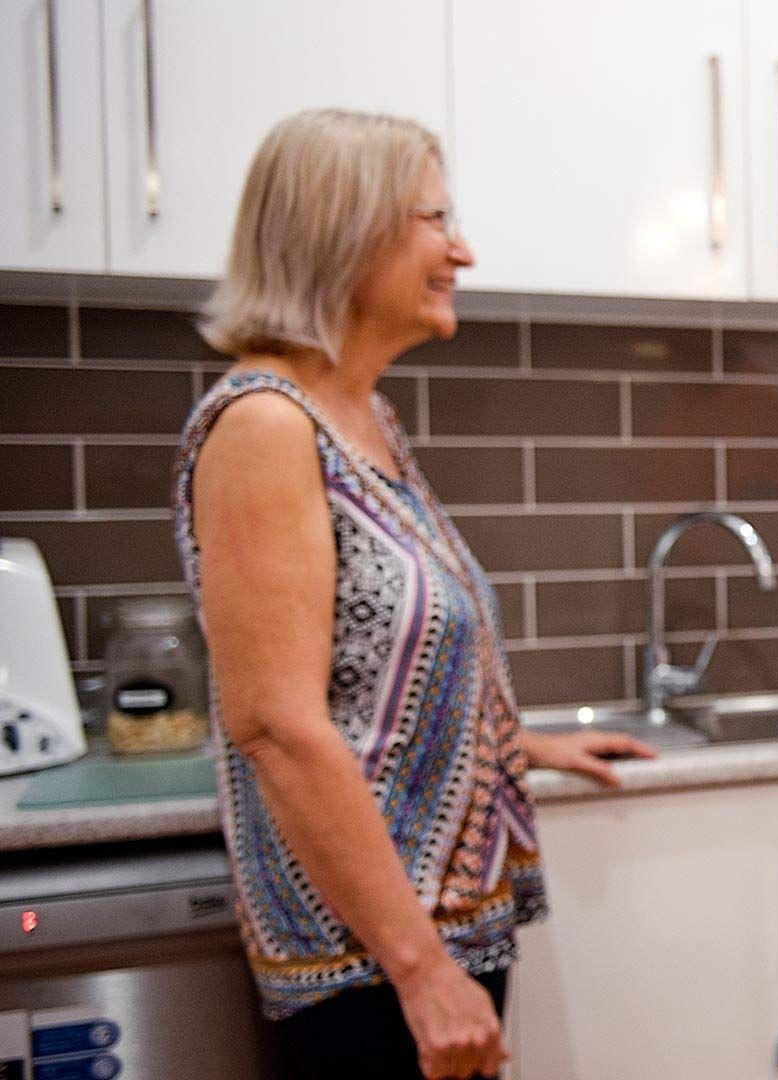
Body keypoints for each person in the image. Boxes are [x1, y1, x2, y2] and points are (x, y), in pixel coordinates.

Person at [175, 108, 652, 1079]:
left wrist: (518, 743)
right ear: (345, 228)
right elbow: (276, 724)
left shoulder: (365, 416)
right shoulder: (265, 425)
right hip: (368, 964)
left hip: (435, 937)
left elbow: (376, 677)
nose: (461, 250)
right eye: (436, 219)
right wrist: (422, 969)